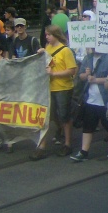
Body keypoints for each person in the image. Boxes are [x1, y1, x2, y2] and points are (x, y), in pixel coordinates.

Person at [30, 25, 78, 161]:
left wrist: (54, 73)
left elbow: (72, 70)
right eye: (46, 35)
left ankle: (68, 143)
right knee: (47, 116)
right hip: (49, 88)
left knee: (64, 115)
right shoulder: (48, 48)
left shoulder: (65, 51)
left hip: (63, 88)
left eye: (49, 35)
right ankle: (42, 146)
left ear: (56, 35)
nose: (47, 37)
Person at [70, 48, 108, 162]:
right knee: (88, 126)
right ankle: (84, 151)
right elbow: (80, 76)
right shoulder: (88, 58)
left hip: (104, 98)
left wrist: (95, 79)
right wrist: (86, 75)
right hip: (90, 99)